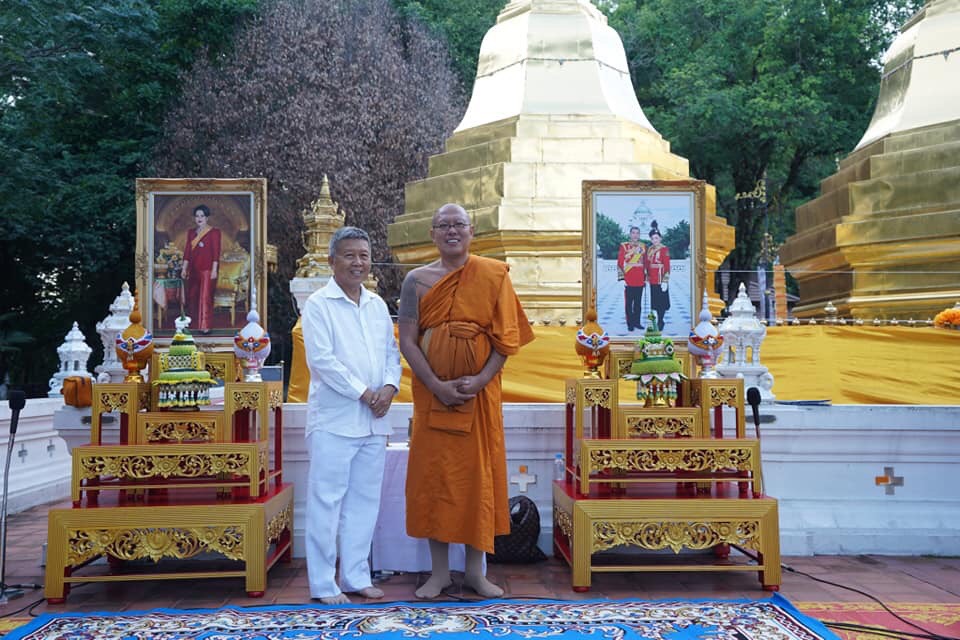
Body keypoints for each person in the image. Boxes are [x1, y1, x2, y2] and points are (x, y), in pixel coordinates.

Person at [398, 203, 534, 600]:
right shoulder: (416, 281)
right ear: (432, 233)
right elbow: (408, 340)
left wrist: (479, 380)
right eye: (443, 225)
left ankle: (475, 572)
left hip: (479, 399)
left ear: (472, 231)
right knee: (435, 482)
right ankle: (439, 573)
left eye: (459, 224)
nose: (451, 231)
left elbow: (506, 340)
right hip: (433, 397)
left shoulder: (492, 275)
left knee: (478, 481)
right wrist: (436, 385)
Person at [301, 226, 401, 605]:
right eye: (349, 255)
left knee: (364, 502)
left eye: (364, 255)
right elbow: (322, 362)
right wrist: (364, 393)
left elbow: (391, 353)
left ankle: (356, 575)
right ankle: (324, 583)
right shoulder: (318, 305)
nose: (358, 262)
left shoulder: (376, 305)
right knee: (327, 501)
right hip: (335, 419)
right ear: (331, 261)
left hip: (374, 420)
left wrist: (389, 388)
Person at [181, 205, 221, 334]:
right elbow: (187, 252)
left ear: (207, 218)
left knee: (205, 298)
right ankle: (193, 324)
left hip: (207, 270)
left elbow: (216, 253)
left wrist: (214, 270)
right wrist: (184, 268)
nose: (199, 218)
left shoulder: (214, 232)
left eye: (202, 216)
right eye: (197, 216)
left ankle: (205, 326)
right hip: (193, 270)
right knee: (192, 297)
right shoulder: (191, 232)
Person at [616, 226, 647, 331]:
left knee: (638, 303)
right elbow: (620, 262)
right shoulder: (624, 246)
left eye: (637, 233)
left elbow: (645, 263)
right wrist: (622, 279)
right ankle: (630, 323)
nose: (635, 235)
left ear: (639, 235)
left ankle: (637, 322)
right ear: (630, 234)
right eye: (633, 233)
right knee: (629, 303)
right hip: (629, 279)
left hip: (640, 279)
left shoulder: (643, 246)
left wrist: (645, 278)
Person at [646, 220, 671, 331]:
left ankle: (661, 320)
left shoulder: (664, 249)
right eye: (652, 238)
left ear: (660, 238)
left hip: (661, 278)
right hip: (652, 279)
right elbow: (647, 264)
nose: (654, 240)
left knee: (662, 302)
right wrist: (646, 276)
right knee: (655, 301)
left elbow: (667, 265)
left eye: (656, 238)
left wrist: (665, 280)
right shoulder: (650, 249)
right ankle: (655, 319)